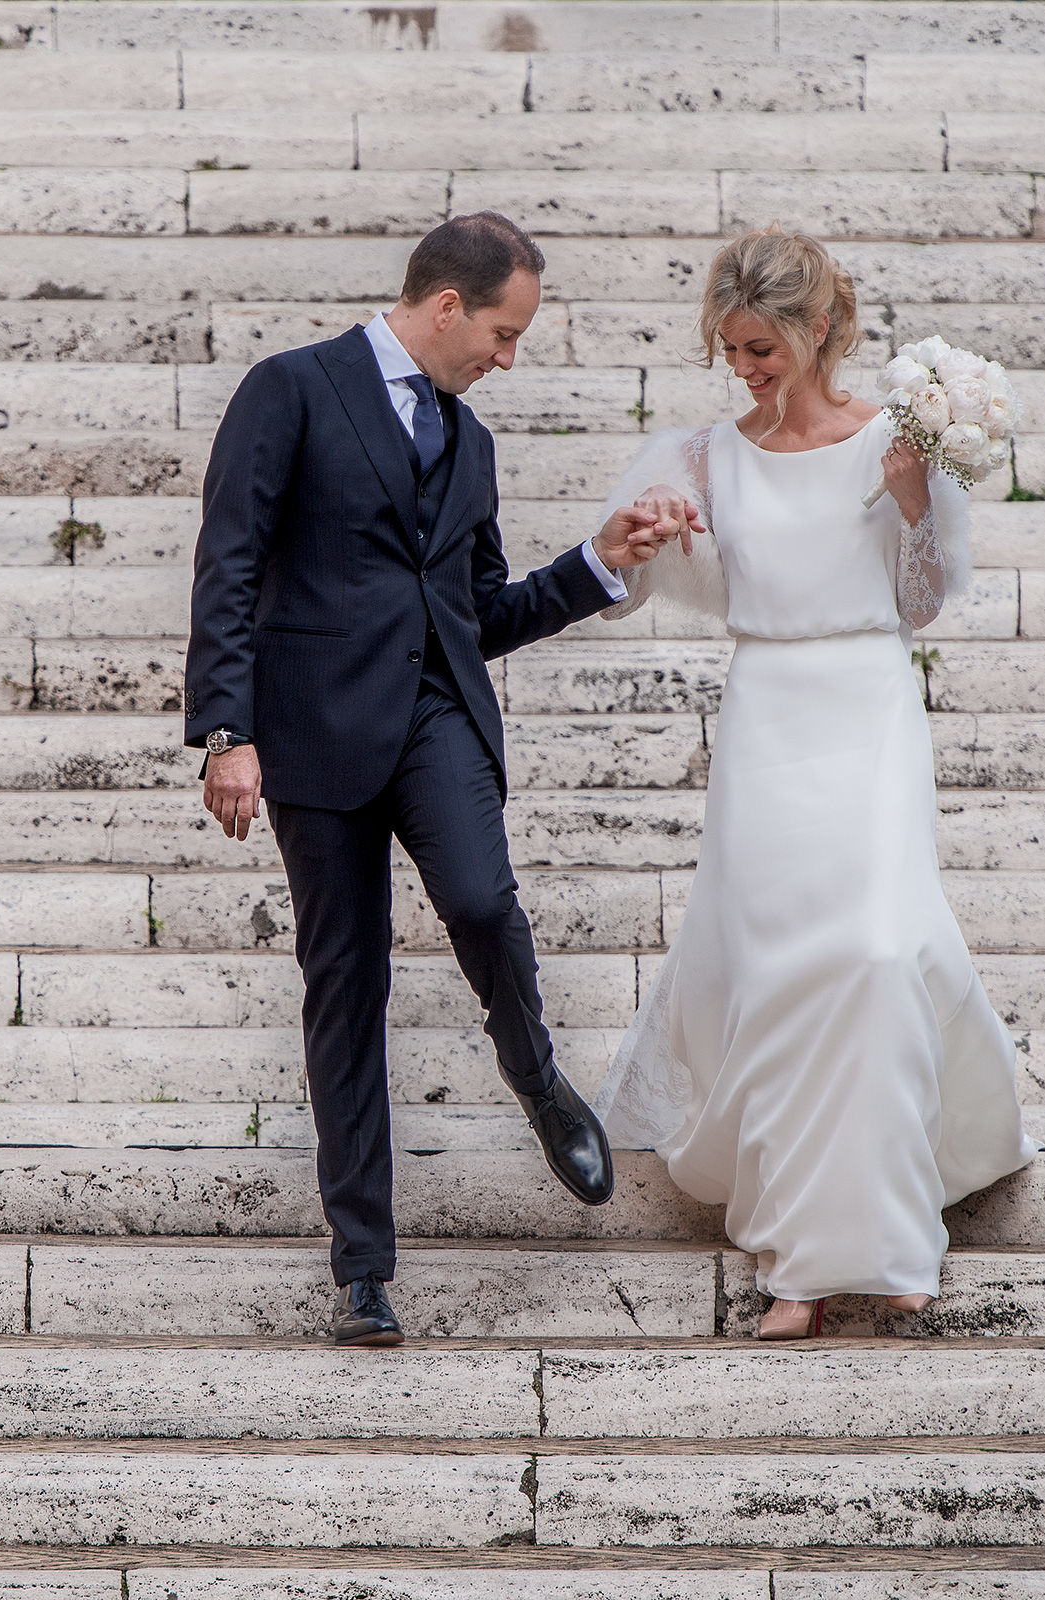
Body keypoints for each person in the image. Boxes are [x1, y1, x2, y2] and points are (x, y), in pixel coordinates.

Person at [185, 212, 674, 1347]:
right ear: (446, 305)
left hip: (436, 720)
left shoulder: (474, 445)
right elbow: (231, 559)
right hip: (308, 732)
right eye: (503, 334)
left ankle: (537, 1073)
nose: (508, 359)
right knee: (344, 986)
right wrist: (226, 729)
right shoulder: (290, 389)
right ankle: (364, 1266)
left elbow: (479, 615)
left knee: (481, 901)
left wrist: (598, 562)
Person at [592, 225, 1037, 1340]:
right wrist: (637, 538)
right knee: (781, 974)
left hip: (870, 708)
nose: (744, 368)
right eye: (730, 350)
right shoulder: (701, 456)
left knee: (881, 951)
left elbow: (928, 600)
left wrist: (914, 500)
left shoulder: (901, 437)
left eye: (760, 347)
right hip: (767, 723)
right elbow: (626, 588)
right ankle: (797, 1261)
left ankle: (889, 1239)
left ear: (820, 328)